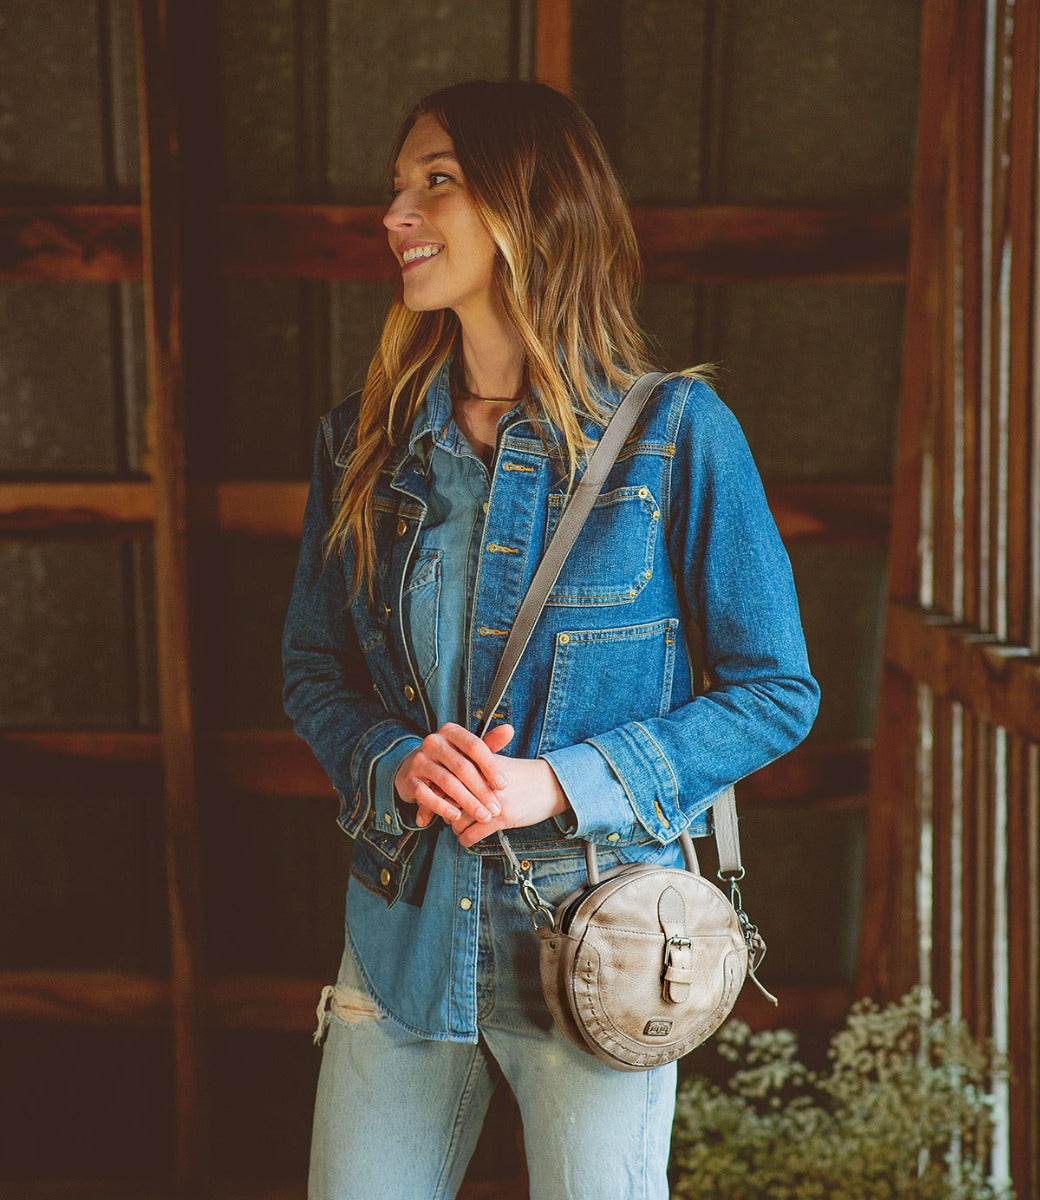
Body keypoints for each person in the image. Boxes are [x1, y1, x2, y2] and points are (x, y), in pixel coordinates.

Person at [282, 78, 819, 1200]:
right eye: (396, 190)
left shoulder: (675, 437)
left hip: (601, 943)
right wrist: (393, 759)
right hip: (400, 936)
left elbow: (775, 690)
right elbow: (315, 671)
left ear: (532, 205)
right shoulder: (363, 447)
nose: (397, 217)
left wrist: (556, 785)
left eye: (436, 182)